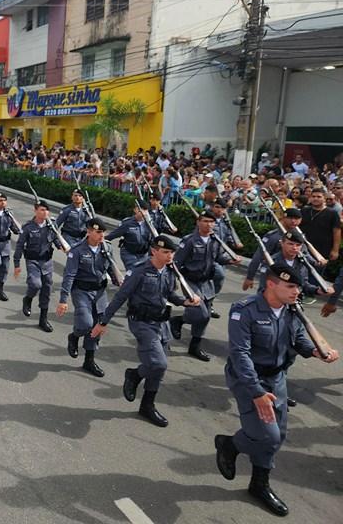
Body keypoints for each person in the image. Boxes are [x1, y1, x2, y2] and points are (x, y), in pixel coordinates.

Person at [215, 265, 338, 517]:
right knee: (267, 435)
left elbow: (298, 338)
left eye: (298, 287)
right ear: (271, 284)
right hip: (248, 379)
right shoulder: (245, 310)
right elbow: (240, 354)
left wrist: (314, 350)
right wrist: (256, 392)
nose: (297, 291)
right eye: (291, 286)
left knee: (278, 435)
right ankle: (230, 445)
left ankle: (259, 485)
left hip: (277, 377)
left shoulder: (291, 309)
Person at [96, 236, 199, 426]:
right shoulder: (139, 271)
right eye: (166, 252)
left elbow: (169, 295)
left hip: (161, 323)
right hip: (142, 323)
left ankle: (147, 406)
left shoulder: (169, 272)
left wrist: (185, 302)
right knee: (159, 363)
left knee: (157, 369)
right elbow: (120, 296)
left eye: (171, 253)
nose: (170, 256)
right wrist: (103, 321)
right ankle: (134, 375)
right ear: (154, 251)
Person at [170, 210, 241, 361]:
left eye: (211, 222)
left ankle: (194, 346)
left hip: (206, 281)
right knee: (200, 313)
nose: (209, 225)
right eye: (205, 221)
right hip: (190, 280)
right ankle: (179, 320)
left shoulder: (215, 240)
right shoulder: (189, 241)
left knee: (206, 316)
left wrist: (230, 260)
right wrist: (173, 282)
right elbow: (176, 263)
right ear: (198, 222)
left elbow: (218, 258)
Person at [56, 218, 120, 377]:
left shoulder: (107, 248)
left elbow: (111, 269)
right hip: (81, 291)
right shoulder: (77, 250)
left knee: (98, 327)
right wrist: (63, 300)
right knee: (85, 324)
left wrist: (120, 282)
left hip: (99, 292)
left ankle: (89, 361)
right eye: (98, 232)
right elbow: (69, 276)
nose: (101, 235)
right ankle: (74, 336)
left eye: (103, 232)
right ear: (89, 231)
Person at [14, 201, 66, 333]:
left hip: (47, 262)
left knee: (46, 290)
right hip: (33, 261)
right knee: (35, 284)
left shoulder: (51, 226)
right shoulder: (28, 227)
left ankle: (43, 319)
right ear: (35, 211)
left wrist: (61, 246)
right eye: (42, 210)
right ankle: (28, 299)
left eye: (46, 210)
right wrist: (17, 264)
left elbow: (54, 239)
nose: (45, 213)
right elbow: (20, 245)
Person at [210, 199, 244, 299]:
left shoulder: (225, 222)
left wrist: (235, 243)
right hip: (209, 254)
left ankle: (209, 302)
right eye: (216, 207)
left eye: (221, 208)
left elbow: (229, 236)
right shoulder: (208, 220)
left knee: (219, 280)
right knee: (217, 276)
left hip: (222, 254)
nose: (219, 210)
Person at [106, 203, 154, 271]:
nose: (143, 212)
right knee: (134, 271)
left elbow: (154, 240)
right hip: (129, 253)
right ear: (135, 210)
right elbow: (113, 235)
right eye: (140, 209)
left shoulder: (149, 224)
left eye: (145, 210)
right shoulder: (127, 223)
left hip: (143, 254)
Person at [300, 188, 340, 265]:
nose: (315, 198)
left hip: (323, 249)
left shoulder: (332, 213)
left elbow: (337, 231)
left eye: (319, 197)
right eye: (313, 196)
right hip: (304, 247)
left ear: (324, 198)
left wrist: (335, 250)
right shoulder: (304, 210)